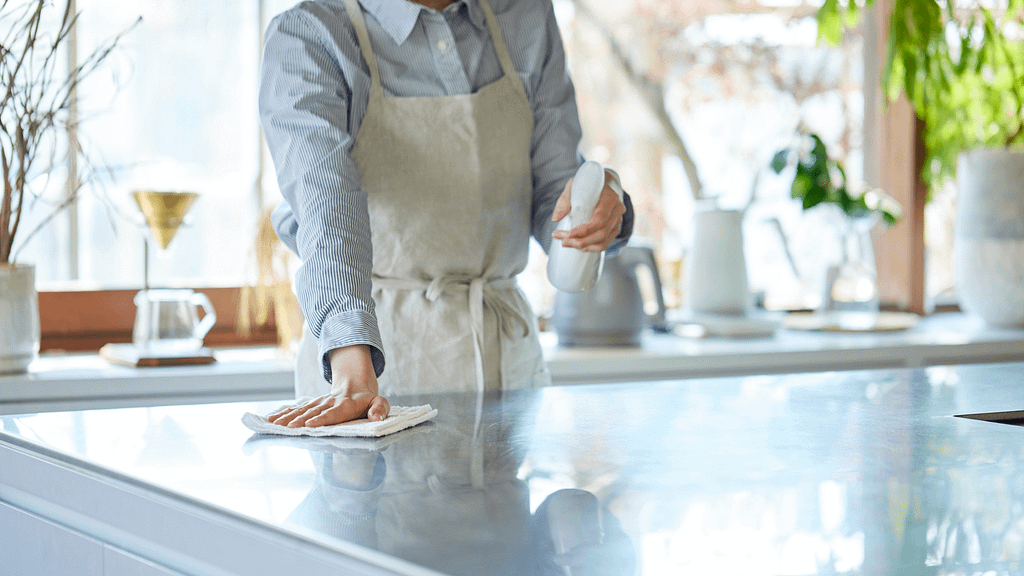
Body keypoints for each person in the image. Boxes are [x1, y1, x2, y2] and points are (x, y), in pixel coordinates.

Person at [258, 0, 634, 427]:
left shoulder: (526, 15)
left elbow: (556, 194)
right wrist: (350, 364)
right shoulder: (311, 34)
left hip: (506, 368)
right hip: (371, 368)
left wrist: (597, 213)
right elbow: (326, 206)